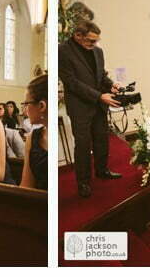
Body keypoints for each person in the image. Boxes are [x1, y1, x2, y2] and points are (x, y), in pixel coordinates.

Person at [59, 20, 122, 198]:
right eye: (91, 40)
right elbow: (71, 82)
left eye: (96, 40)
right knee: (83, 145)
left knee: (102, 139)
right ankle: (84, 182)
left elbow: (101, 76)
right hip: (80, 106)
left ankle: (102, 170)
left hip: (99, 104)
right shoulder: (62, 51)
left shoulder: (98, 51)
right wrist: (98, 96)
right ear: (78, 36)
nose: (95, 44)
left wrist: (111, 86)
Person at [19, 75, 48, 190]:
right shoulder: (33, 137)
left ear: (41, 106)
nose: (25, 109)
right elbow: (26, 187)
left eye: (26, 103)